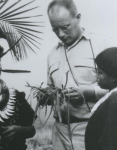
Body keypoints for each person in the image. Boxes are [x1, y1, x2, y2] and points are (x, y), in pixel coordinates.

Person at [45, 0, 117, 150]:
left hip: (90, 127)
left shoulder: (102, 45)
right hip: (59, 131)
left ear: (77, 17)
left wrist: (90, 92)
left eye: (65, 27)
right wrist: (47, 96)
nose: (61, 34)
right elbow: (50, 88)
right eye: (55, 30)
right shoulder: (52, 54)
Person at [85, 47, 117, 150]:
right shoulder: (111, 96)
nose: (96, 76)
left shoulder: (114, 100)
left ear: (114, 77)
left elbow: (109, 141)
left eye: (100, 72)